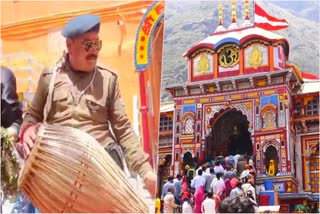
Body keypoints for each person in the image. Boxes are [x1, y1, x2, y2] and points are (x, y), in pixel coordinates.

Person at [18, 14, 156, 197]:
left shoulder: (108, 80)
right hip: (59, 169)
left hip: (100, 170)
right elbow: (33, 114)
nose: (94, 51)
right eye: (87, 44)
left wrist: (145, 171)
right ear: (69, 45)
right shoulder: (49, 78)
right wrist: (27, 129)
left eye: (97, 44)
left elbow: (123, 130)